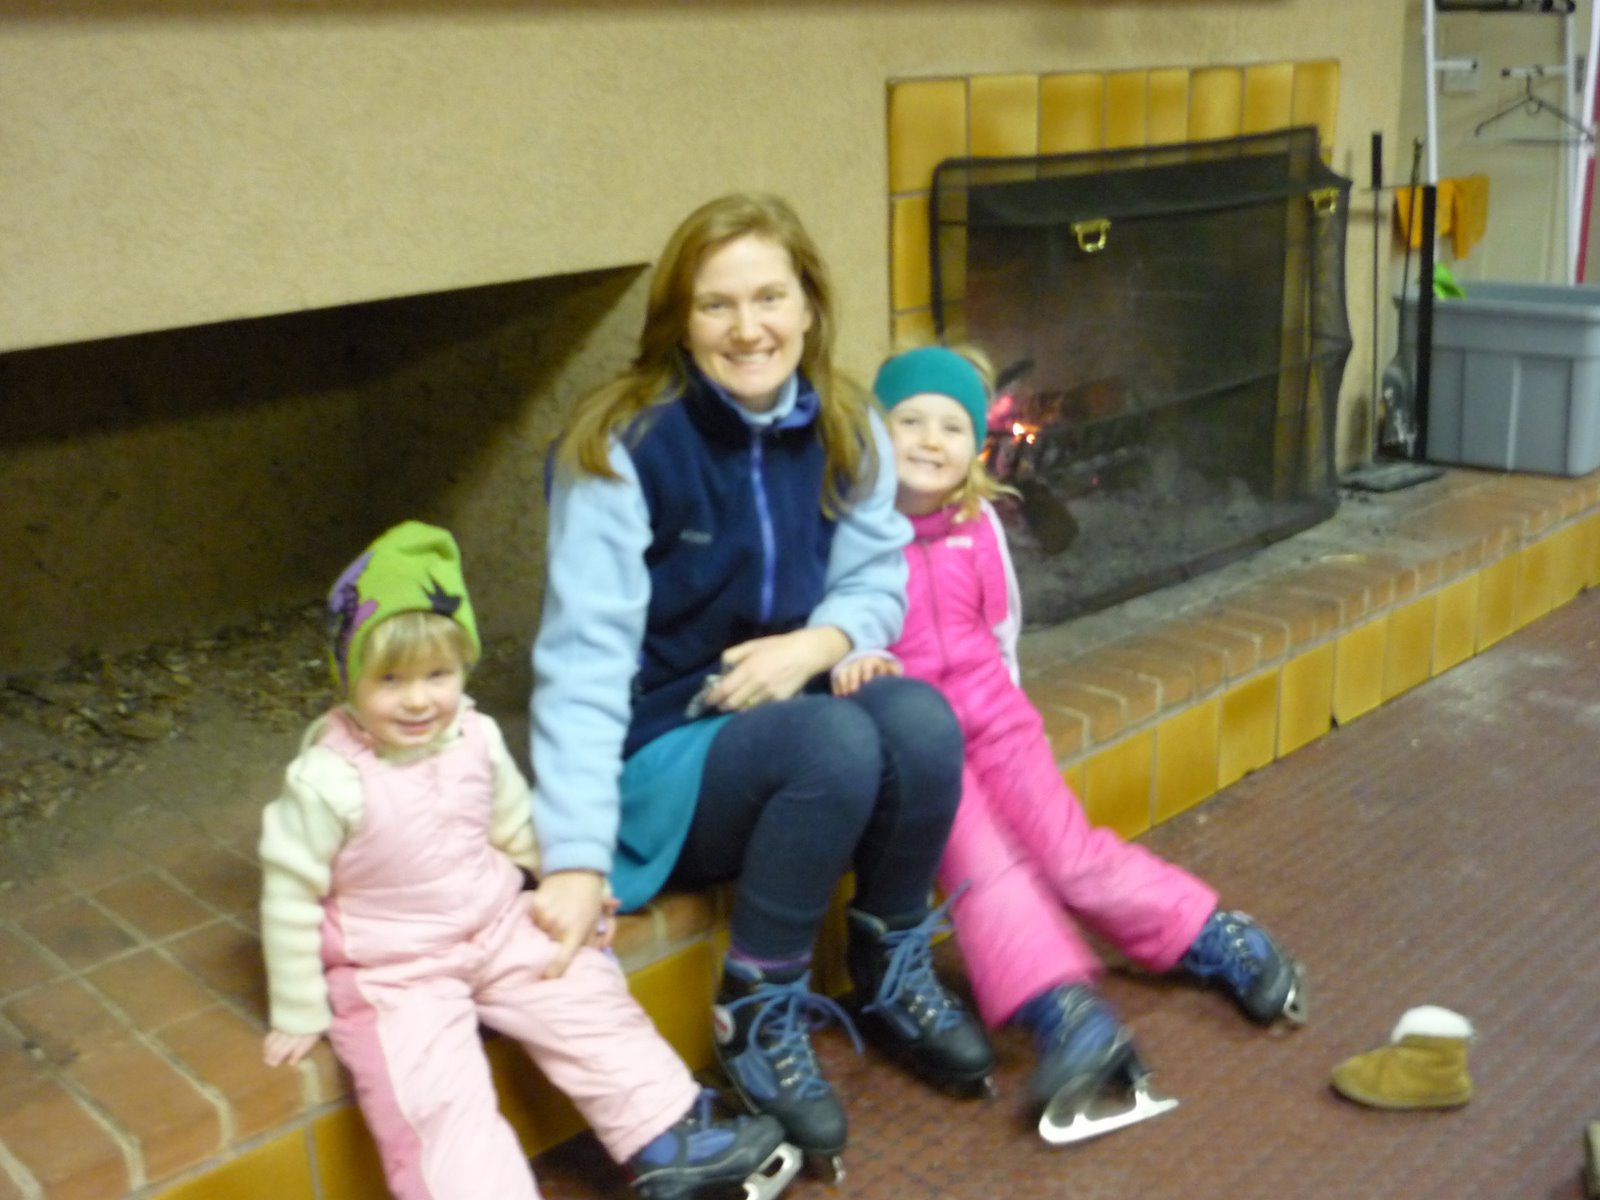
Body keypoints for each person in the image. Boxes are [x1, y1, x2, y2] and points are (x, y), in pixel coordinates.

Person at [528, 194, 995, 1176]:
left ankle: (887, 955)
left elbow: (877, 580)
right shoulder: (624, 450)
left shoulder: (847, 428)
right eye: (716, 306)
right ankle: (758, 1006)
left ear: (810, 304)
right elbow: (582, 665)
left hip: (785, 712)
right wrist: (573, 854)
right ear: (678, 321)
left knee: (917, 719)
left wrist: (815, 642)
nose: (749, 328)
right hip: (665, 752)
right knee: (837, 742)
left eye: (770, 297)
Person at [836, 344, 1307, 1142]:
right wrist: (851, 661)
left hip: (1001, 725)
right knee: (987, 870)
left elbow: (1001, 628)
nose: (926, 438)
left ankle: (1207, 932)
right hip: (923, 749)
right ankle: (1067, 1014)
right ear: (876, 434)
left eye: (949, 425)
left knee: (1071, 852)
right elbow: (835, 619)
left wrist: (1012, 711)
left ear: (975, 446)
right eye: (907, 420)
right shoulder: (852, 530)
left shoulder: (978, 521)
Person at [258, 520, 797, 1200]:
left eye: (438, 674)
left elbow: (515, 824)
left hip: (495, 922)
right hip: (395, 969)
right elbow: (288, 897)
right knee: (434, 1102)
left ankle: (666, 1139)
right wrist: (299, 1009)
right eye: (391, 679)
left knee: (587, 994)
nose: (420, 698)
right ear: (348, 679)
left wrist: (568, 883)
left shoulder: (475, 736)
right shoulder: (325, 781)